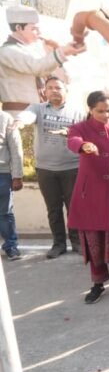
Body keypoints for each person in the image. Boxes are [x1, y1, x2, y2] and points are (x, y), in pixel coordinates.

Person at [66, 91, 109, 304]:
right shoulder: (80, 128)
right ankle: (97, 284)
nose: (106, 115)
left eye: (108, 110)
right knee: (94, 239)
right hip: (90, 194)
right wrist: (83, 146)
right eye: (100, 111)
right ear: (90, 110)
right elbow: (73, 141)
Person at [17, 77, 83, 257]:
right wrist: (20, 121)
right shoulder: (37, 108)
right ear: (44, 91)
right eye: (50, 88)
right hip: (45, 169)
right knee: (53, 209)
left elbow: (85, 132)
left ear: (66, 91)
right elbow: (27, 116)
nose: (54, 90)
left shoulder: (77, 111)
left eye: (58, 88)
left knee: (74, 208)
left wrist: (69, 132)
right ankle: (58, 244)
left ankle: (77, 242)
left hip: (72, 168)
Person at [0, 5, 85, 114]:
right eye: (34, 29)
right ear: (18, 28)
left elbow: (64, 80)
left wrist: (53, 51)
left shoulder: (36, 52)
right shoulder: (7, 51)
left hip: (41, 113)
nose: (39, 33)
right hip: (18, 113)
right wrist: (62, 52)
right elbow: (37, 67)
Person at [0, 109, 23, 260]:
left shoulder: (5, 118)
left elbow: (16, 149)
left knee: (4, 213)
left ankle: (11, 247)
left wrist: (17, 175)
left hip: (2, 174)